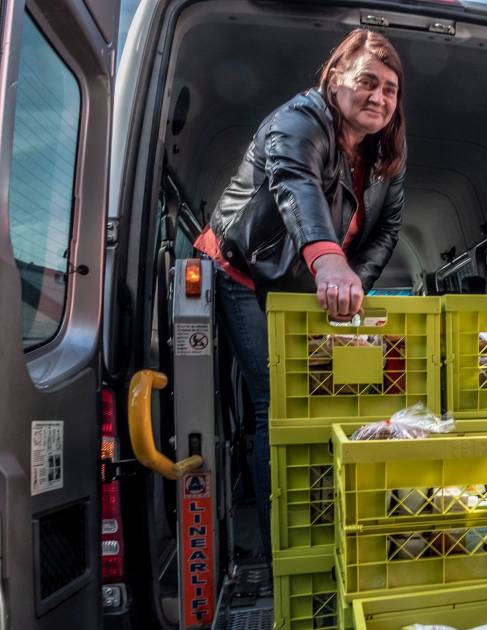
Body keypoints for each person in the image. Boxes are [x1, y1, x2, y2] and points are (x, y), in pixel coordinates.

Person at [193, 28, 407, 559]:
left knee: (323, 396)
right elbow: (296, 184)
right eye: (367, 81)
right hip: (244, 271)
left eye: (390, 89)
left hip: (303, 287)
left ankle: (325, 523)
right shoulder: (298, 120)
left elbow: (386, 230)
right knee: (279, 403)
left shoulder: (386, 156)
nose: (379, 97)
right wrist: (328, 259)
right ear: (335, 80)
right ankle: (282, 555)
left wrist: (351, 285)